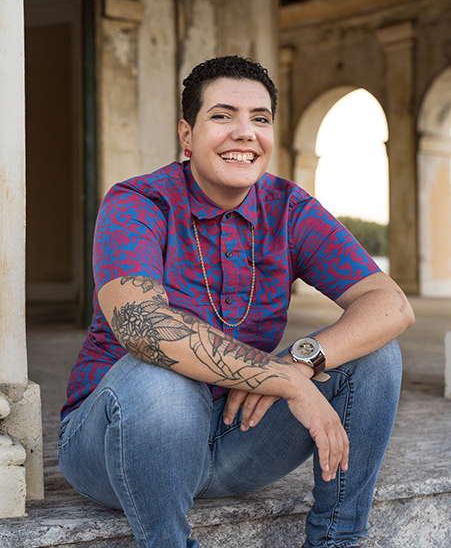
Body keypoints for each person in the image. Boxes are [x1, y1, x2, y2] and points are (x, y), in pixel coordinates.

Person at [58, 55, 414, 548]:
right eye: (223, 116)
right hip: (118, 445)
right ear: (187, 134)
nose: (245, 132)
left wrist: (300, 362)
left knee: (374, 353)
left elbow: (390, 304)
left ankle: (337, 540)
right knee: (160, 378)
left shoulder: (289, 208)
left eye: (260, 118)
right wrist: (282, 380)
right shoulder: (138, 203)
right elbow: (143, 327)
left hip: (236, 437)